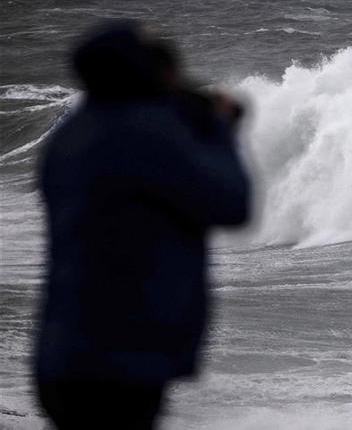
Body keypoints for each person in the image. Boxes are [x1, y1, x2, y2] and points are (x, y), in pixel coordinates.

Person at [34, 21, 251, 429]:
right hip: (119, 359)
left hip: (63, 352)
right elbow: (232, 204)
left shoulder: (70, 137)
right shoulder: (144, 135)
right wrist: (218, 131)